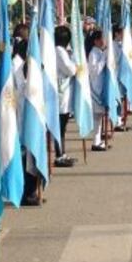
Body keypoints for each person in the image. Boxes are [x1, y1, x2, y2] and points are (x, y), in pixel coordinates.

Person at [53, 25, 77, 167]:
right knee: (60, 126)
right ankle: (59, 155)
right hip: (60, 92)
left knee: (62, 126)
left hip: (63, 92)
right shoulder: (59, 52)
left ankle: (62, 153)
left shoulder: (59, 51)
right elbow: (70, 70)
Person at [88, 29, 109, 151]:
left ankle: (98, 141)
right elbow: (95, 71)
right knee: (96, 116)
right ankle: (95, 142)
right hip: (95, 89)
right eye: (101, 39)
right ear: (96, 41)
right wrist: (103, 59)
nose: (103, 41)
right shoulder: (93, 54)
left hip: (101, 87)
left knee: (100, 116)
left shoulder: (99, 52)